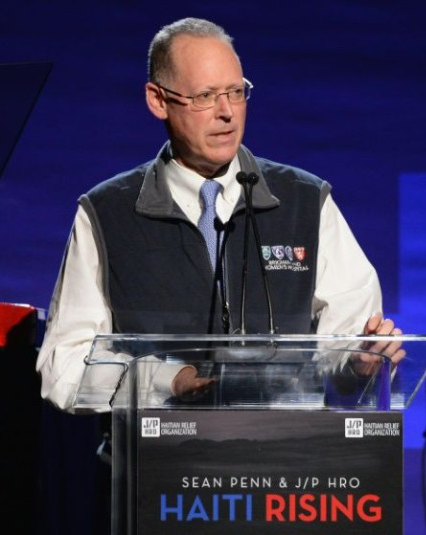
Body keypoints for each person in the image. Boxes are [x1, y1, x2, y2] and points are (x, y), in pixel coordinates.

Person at [36, 17, 404, 413]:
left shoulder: (305, 200)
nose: (227, 112)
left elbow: (348, 345)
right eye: (205, 96)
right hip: (156, 464)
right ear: (158, 100)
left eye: (236, 92)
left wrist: (362, 363)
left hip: (286, 461)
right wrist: (165, 381)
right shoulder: (107, 213)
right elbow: (64, 368)